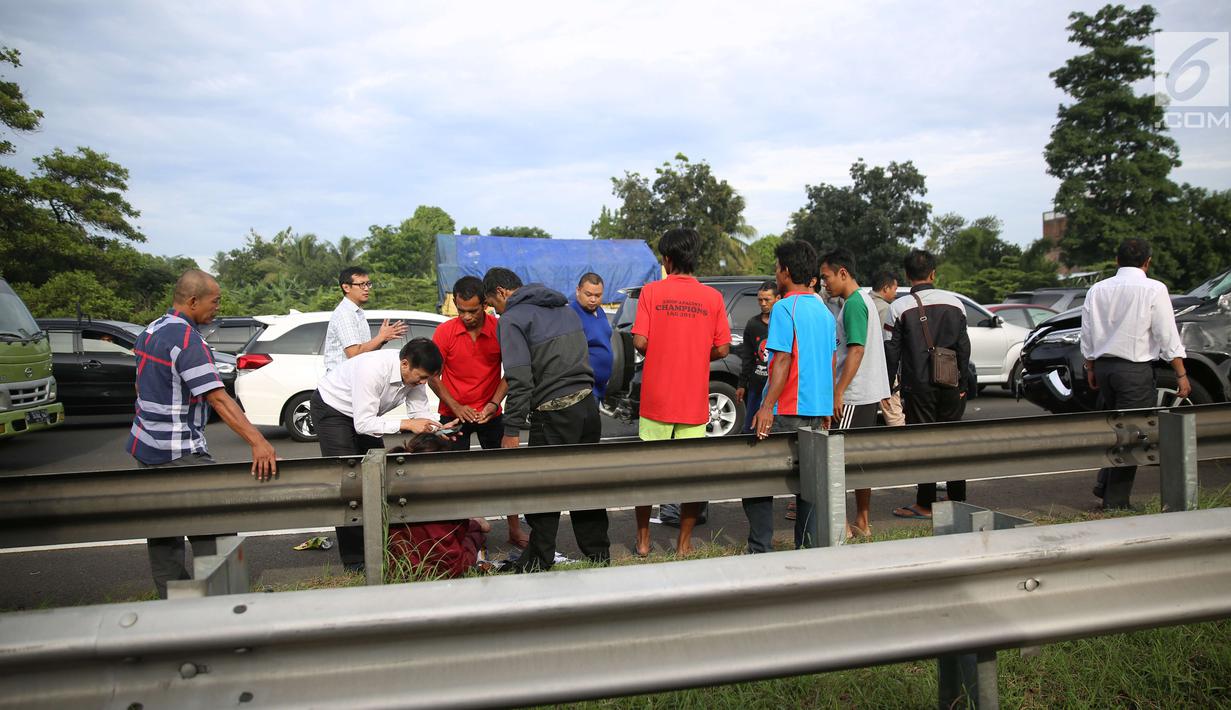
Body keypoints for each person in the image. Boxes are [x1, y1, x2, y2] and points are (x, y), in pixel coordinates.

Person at [127, 269, 279, 598]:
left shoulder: (152, 329)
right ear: (193, 301)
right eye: (215, 301)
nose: (218, 307)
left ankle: (177, 603)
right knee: (216, 526)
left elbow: (143, 385)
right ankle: (226, 600)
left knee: (163, 532)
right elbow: (218, 397)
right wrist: (259, 442)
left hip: (145, 444)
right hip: (178, 450)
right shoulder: (187, 340)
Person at [482, 267, 609, 572]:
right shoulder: (564, 308)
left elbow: (519, 378)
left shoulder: (512, 318)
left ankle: (538, 561)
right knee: (587, 485)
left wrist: (510, 430)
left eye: (492, 304)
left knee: (544, 489)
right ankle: (600, 557)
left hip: (553, 411)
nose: (494, 311)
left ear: (501, 292)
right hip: (587, 408)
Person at [311, 338, 455, 572]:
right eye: (421, 377)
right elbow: (365, 423)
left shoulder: (416, 378)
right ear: (405, 364)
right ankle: (355, 559)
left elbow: (419, 414)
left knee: (380, 475)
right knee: (351, 482)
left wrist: (440, 429)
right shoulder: (373, 370)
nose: (423, 383)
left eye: (427, 379)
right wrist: (407, 425)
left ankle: (382, 545)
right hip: (333, 409)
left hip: (365, 417)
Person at [630, 228, 732, 557]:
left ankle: (644, 542)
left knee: (647, 473)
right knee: (691, 475)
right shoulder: (712, 297)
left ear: (667, 259)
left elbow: (640, 341)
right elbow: (723, 347)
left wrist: (664, 349)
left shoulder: (651, 292)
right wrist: (695, 352)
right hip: (693, 401)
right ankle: (683, 545)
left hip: (656, 398)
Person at [1081, 238, 1188, 509]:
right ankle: (1115, 502)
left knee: (1118, 430)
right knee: (1133, 434)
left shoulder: (1098, 289)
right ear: (1148, 262)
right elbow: (1166, 333)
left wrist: (1091, 367)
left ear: (1117, 261)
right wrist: (1181, 373)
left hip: (1105, 368)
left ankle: (1104, 487)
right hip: (1134, 370)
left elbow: (1088, 332)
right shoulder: (1154, 288)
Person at [747, 240, 837, 551]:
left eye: (776, 268)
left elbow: (782, 360)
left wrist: (766, 406)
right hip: (817, 410)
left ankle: (760, 548)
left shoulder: (785, 307)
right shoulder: (824, 312)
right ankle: (808, 548)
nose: (775, 272)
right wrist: (827, 406)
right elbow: (830, 361)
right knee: (808, 486)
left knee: (756, 480)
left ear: (785, 272)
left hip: (787, 409)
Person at [429, 275, 526, 548]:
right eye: (461, 311)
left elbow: (512, 371)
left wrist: (493, 404)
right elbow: (433, 377)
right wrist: (457, 407)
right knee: (453, 477)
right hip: (454, 414)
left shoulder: (501, 328)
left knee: (505, 474)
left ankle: (515, 530)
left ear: (485, 304)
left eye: (472, 310)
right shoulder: (445, 331)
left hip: (490, 414)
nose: (467, 317)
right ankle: (458, 536)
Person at [885, 249, 972, 520]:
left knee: (924, 443)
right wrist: (962, 383)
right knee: (953, 441)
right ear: (933, 273)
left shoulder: (898, 307)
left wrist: (888, 387)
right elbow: (963, 348)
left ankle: (925, 503)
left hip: (918, 387)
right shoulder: (956, 304)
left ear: (907, 276)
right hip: (950, 382)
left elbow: (892, 352)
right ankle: (957, 498)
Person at [819, 249, 890, 538]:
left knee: (839, 461)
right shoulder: (863, 302)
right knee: (858, 461)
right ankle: (861, 522)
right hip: (864, 393)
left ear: (843, 273)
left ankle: (846, 526)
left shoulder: (854, 304)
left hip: (854, 394)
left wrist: (838, 392)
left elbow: (856, 350)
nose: (825, 284)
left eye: (827, 277)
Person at [385, 434, 490, 579]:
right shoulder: (445, 494)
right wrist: (475, 528)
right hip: (444, 569)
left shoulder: (393, 488)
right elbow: (456, 542)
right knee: (478, 529)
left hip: (402, 567)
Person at [323, 266, 406, 373]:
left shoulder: (357, 312)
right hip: (341, 382)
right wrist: (381, 337)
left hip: (353, 379)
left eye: (368, 284)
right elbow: (354, 354)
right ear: (346, 287)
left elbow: (364, 355)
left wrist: (382, 340)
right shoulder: (345, 313)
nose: (366, 288)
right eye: (361, 285)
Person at [736, 281, 778, 433]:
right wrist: (742, 384)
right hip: (756, 385)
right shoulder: (753, 324)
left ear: (777, 298)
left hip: (776, 387)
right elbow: (747, 357)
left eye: (767, 299)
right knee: (750, 427)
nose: (763, 303)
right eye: (760, 300)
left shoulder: (783, 322)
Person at [569, 272, 614, 401]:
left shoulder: (599, 311)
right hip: (582, 390)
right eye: (588, 294)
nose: (593, 299)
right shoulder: (571, 314)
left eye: (598, 295)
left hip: (600, 388)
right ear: (578, 291)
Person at [870, 270, 906, 427]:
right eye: (895, 289)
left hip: (864, 369)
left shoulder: (864, 302)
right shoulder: (886, 309)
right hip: (883, 370)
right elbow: (889, 344)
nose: (895, 293)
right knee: (893, 413)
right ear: (885, 288)